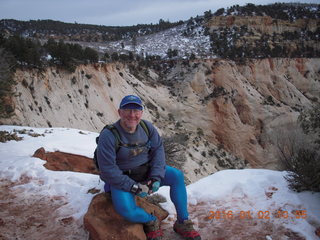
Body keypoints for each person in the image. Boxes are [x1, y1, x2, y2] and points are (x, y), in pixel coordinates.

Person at [96, 95, 201, 240]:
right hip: (122, 177)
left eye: (136, 110)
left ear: (141, 113)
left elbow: (158, 150)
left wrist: (156, 177)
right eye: (127, 110)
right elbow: (108, 170)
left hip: (146, 171)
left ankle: (183, 222)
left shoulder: (146, 128)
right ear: (119, 112)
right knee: (126, 210)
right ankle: (150, 221)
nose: (132, 115)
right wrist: (134, 187)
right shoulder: (109, 135)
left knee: (176, 176)